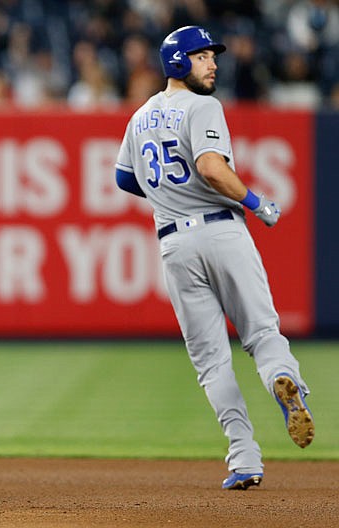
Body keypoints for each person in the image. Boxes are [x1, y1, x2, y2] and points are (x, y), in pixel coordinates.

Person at [115, 26, 314, 490]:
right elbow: (210, 166)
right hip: (221, 230)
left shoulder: (140, 115)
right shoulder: (204, 105)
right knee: (262, 334)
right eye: (202, 56)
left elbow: (126, 179)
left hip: (174, 244)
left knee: (210, 361)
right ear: (179, 63)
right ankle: (285, 380)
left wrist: (168, 192)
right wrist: (256, 202)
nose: (213, 63)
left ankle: (244, 458)